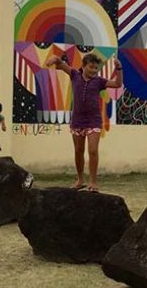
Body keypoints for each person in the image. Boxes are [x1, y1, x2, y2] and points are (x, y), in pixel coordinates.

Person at [46, 53, 123, 192]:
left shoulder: (99, 81)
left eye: (96, 68)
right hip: (77, 121)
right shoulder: (74, 75)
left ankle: (93, 182)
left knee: (93, 151)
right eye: (91, 67)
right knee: (78, 151)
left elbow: (117, 84)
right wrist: (54, 60)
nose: (94, 70)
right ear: (83, 66)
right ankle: (80, 179)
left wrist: (119, 69)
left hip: (94, 121)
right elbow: (61, 64)